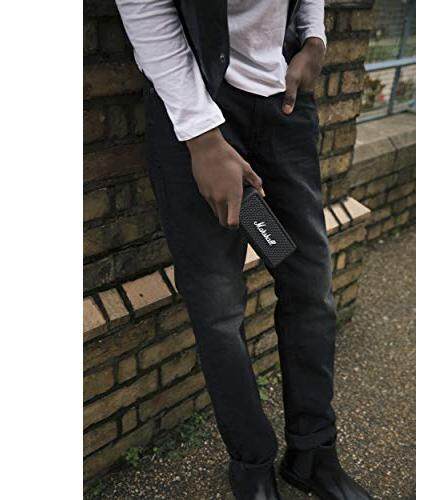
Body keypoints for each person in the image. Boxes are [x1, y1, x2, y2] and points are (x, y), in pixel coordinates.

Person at [115, 1, 372, 498]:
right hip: (201, 113)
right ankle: (252, 465)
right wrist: (202, 137)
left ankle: (313, 453)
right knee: (219, 308)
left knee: (308, 287)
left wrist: (314, 37)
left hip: (283, 107)